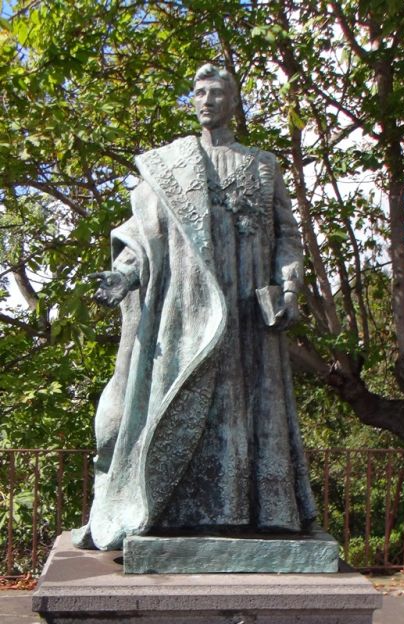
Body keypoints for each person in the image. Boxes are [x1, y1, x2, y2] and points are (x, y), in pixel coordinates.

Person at [73, 63, 316, 551]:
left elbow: (287, 236)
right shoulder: (169, 166)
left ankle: (252, 514)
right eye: (200, 92)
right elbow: (143, 234)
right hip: (186, 311)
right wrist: (123, 275)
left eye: (217, 92)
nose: (207, 100)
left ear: (234, 102)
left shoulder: (263, 165)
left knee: (244, 408)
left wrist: (288, 290)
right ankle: (170, 512)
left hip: (248, 313)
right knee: (181, 402)